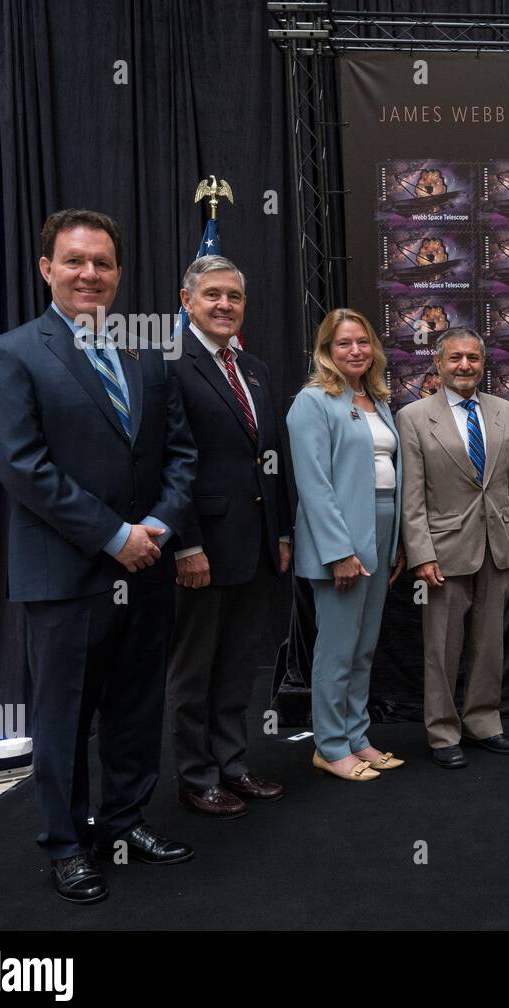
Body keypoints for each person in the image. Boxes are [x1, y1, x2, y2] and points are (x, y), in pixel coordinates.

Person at [0, 209, 198, 903]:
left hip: (148, 566)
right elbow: (24, 467)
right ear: (47, 269)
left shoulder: (143, 357)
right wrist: (114, 535)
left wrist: (156, 526)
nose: (89, 274)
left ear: (118, 272)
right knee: (65, 717)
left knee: (136, 706)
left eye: (102, 263)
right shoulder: (11, 353)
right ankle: (67, 844)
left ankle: (125, 822)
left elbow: (180, 455)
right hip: (69, 574)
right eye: (74, 261)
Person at [166, 256, 291, 816]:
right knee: (196, 670)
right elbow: (169, 463)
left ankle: (232, 765)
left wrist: (281, 532)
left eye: (234, 297)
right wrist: (186, 544)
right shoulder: (170, 363)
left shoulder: (256, 368)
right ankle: (197, 777)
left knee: (239, 665)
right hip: (203, 550)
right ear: (187, 299)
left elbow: (271, 460)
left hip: (256, 546)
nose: (224, 305)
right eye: (212, 295)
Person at [396, 328, 509, 768]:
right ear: (437, 364)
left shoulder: (505, 412)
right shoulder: (414, 417)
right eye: (455, 358)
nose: (464, 366)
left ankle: (483, 723)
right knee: (441, 647)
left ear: (482, 364)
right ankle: (442, 733)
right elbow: (412, 496)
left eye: (473, 358)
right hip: (443, 550)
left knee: (489, 643)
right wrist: (420, 553)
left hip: (498, 545)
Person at [288, 309, 406, 781]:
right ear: (326, 351)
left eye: (362, 342)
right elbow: (314, 485)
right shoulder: (313, 401)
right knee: (337, 649)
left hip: (380, 531)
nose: (355, 350)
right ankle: (330, 745)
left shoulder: (377, 399)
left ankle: (358, 737)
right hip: (342, 539)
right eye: (343, 344)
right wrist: (340, 552)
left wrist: (394, 542)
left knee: (364, 646)